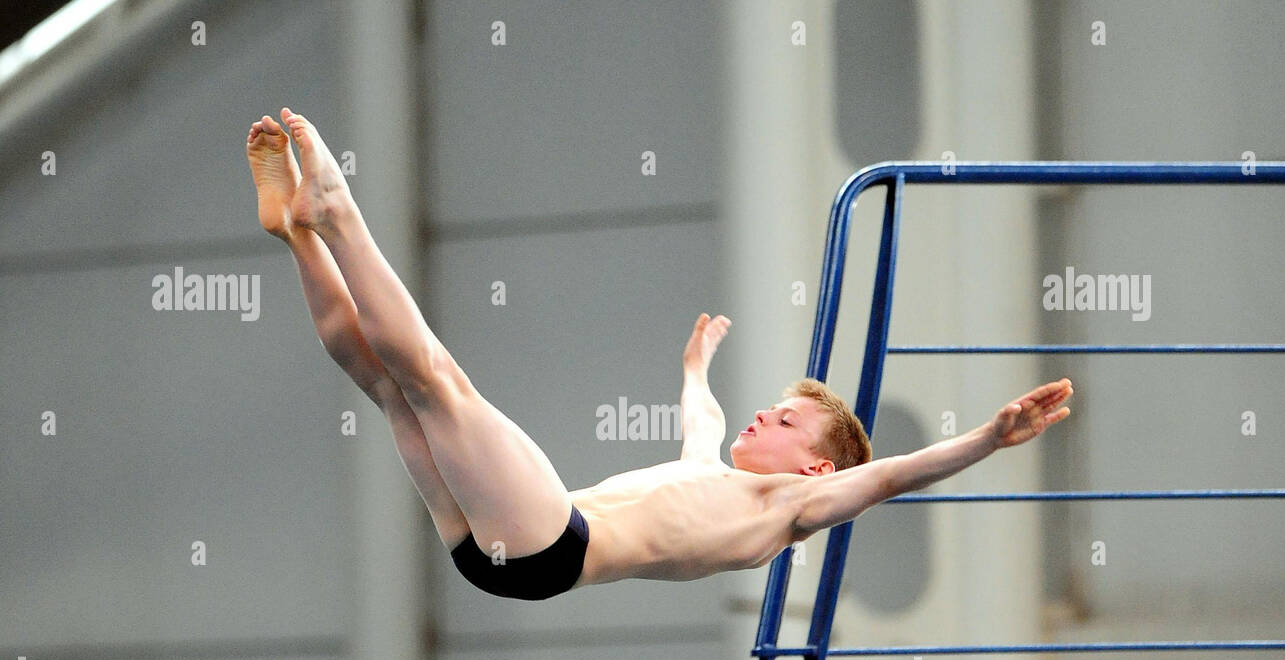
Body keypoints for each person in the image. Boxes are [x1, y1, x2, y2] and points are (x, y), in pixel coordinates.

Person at [247, 109, 1073, 601]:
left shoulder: (787, 511)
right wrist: (696, 369)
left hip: (550, 545)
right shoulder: (720, 478)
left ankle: (338, 215)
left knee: (437, 383)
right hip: (503, 547)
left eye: (785, 419)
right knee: (389, 387)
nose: (763, 414)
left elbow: (892, 474)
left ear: (817, 472)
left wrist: (986, 440)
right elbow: (702, 427)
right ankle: (297, 236)